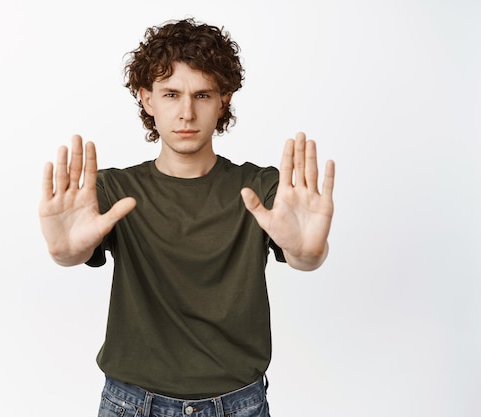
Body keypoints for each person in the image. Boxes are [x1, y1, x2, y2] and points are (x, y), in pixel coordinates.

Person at [39, 18, 335, 417]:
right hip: (132, 404)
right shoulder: (111, 191)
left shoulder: (261, 189)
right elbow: (75, 250)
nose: (186, 113)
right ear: (147, 99)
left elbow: (303, 253)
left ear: (223, 99)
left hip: (238, 405)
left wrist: (308, 254)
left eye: (203, 95)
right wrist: (63, 253)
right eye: (171, 93)